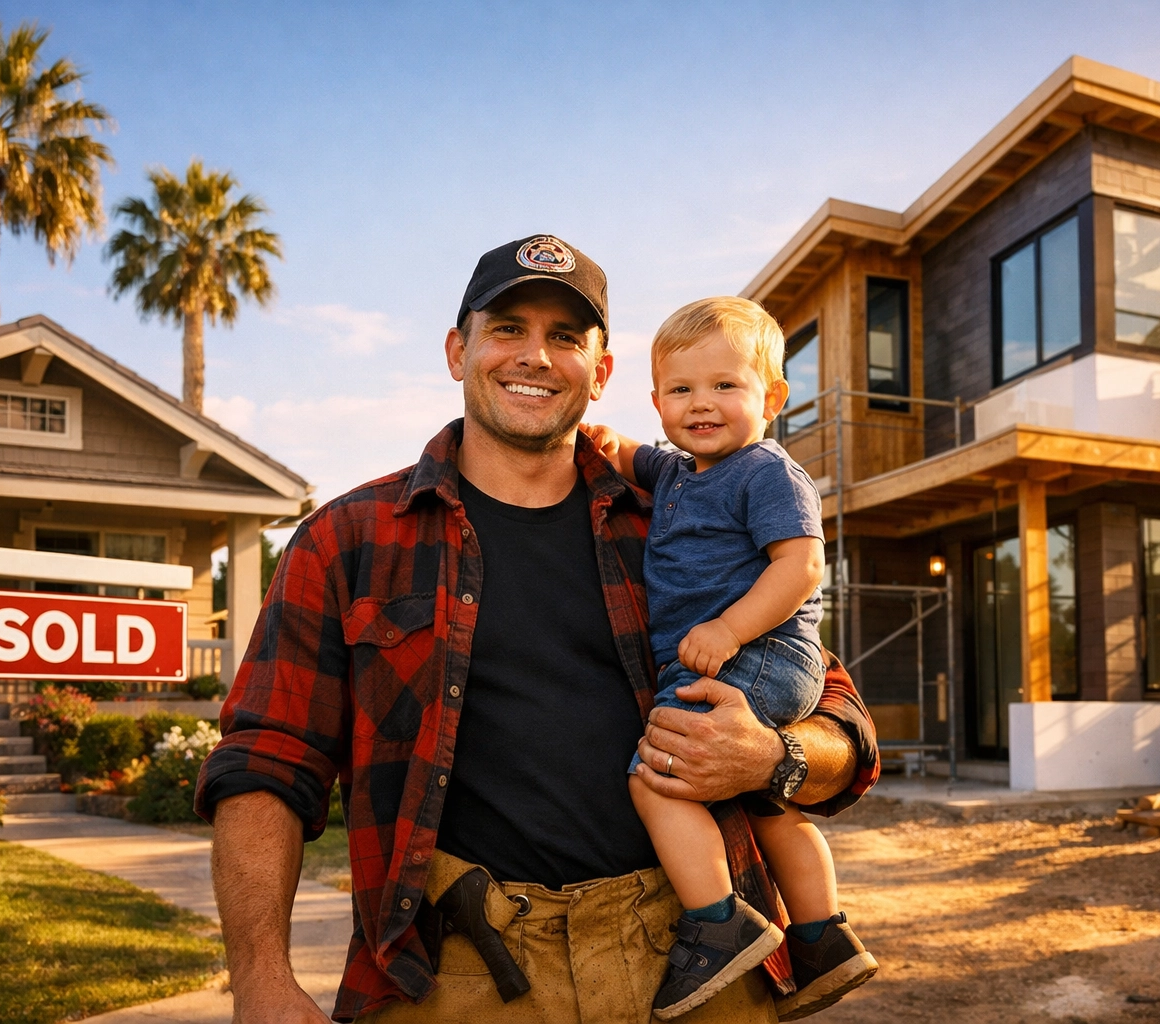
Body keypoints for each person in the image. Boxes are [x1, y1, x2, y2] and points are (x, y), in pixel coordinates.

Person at [196, 234, 880, 1024]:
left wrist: (769, 756)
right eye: (508, 329)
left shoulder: (688, 516)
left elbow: (843, 729)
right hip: (453, 971)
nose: (536, 357)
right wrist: (260, 978)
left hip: (690, 970)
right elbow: (267, 759)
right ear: (459, 351)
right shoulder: (348, 539)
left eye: (565, 337)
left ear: (603, 371)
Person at [584, 297, 877, 1020]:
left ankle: (717, 921)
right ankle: (821, 936)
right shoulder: (682, 472)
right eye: (681, 390)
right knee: (760, 796)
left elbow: (802, 568)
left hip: (760, 649)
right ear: (657, 401)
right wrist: (607, 442)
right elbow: (634, 457)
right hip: (745, 657)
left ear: (772, 398)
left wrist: (729, 628)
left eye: (724, 386)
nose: (701, 404)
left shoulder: (765, 473)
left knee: (658, 780)